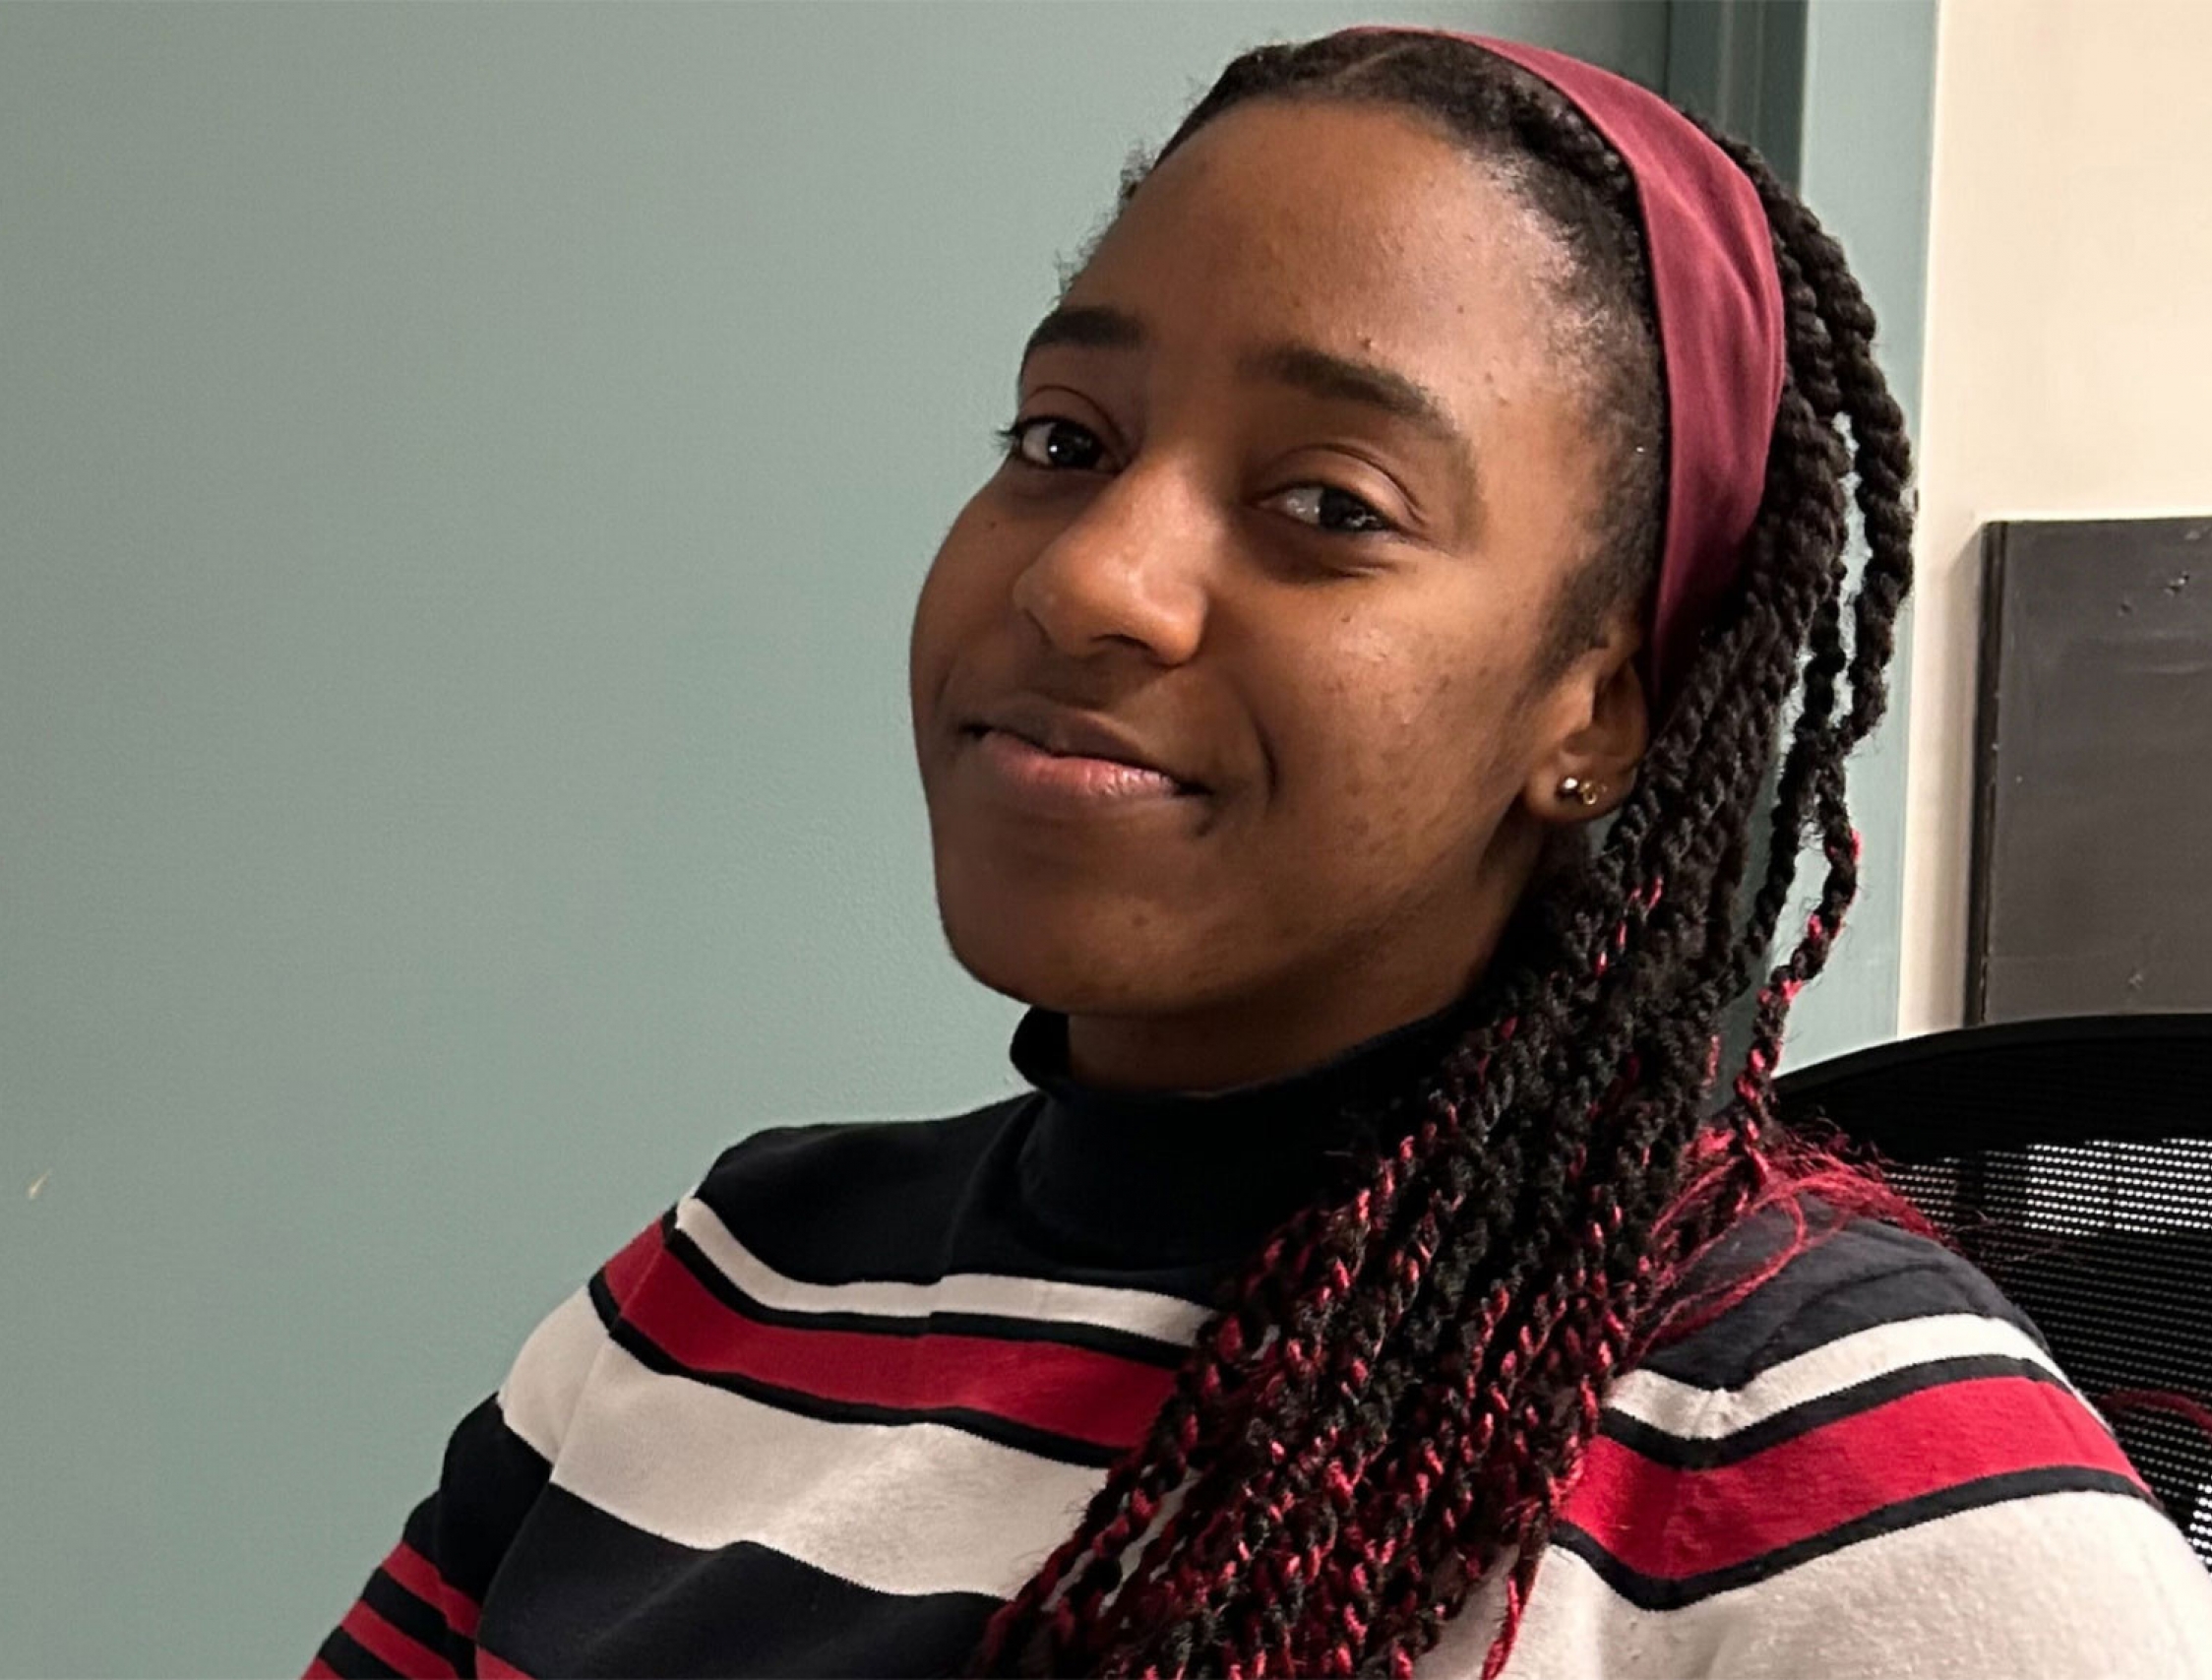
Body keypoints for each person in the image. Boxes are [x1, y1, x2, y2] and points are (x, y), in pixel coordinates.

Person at [306, 27, 2212, 1679]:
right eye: (1063, 440)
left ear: (1595, 707)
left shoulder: (1857, 1484)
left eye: (1329, 502)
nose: (1091, 579)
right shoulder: (724, 1285)